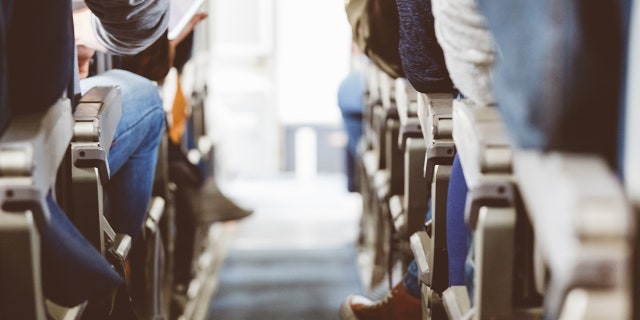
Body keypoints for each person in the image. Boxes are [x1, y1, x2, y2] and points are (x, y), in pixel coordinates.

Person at [2, 0, 169, 308]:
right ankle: (120, 280)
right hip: (31, 158)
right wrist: (77, 28)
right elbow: (137, 17)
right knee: (148, 99)